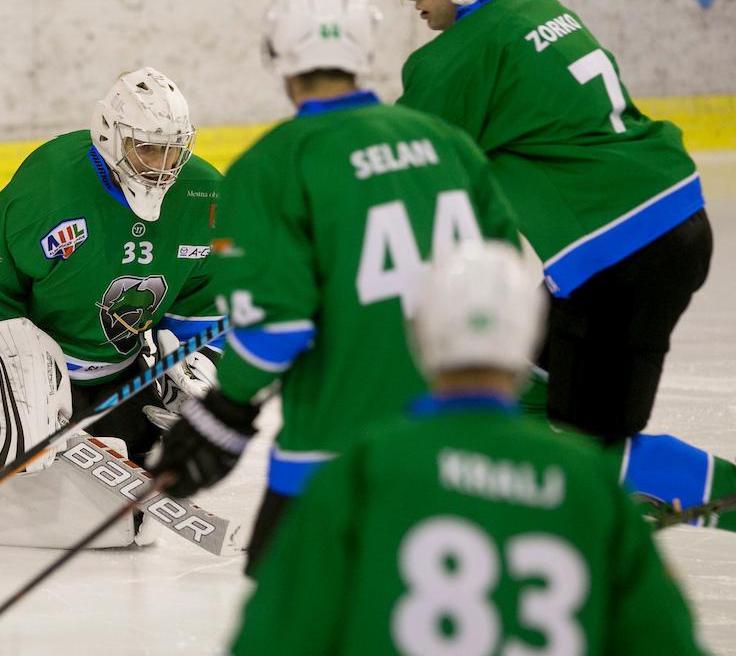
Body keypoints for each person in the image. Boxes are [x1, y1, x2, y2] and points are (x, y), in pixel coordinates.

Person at [153, 0, 520, 569]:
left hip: (333, 454)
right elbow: (503, 283)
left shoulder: (271, 166)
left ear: (277, 53)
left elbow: (275, 329)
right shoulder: (446, 143)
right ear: (364, 51)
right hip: (463, 445)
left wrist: (228, 410)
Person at [231, 241, 706, 655]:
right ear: (529, 334)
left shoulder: (363, 466)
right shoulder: (589, 481)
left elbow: (272, 640)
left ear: (421, 334)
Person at [393, 0, 712, 441]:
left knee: (589, 451)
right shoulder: (542, 11)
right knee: (510, 394)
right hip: (666, 225)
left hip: (620, 259)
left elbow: (389, 175)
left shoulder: (454, 59)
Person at [0, 67, 224, 471]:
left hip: (117, 368)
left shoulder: (205, 197)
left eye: (171, 150)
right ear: (110, 133)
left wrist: (206, 358)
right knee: (27, 469)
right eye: (146, 149)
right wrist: (5, 376)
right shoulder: (51, 186)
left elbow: (211, 291)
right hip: (28, 366)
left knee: (157, 459)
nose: (161, 166)